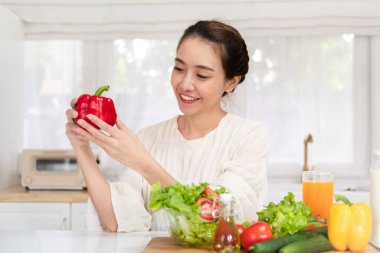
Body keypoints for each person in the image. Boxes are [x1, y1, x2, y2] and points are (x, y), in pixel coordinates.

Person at [65, 20, 270, 232]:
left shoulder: (248, 136)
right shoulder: (149, 137)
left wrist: (143, 163)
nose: (184, 84)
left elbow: (218, 220)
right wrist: (81, 146)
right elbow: (117, 220)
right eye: (179, 68)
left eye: (202, 75)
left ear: (231, 82)